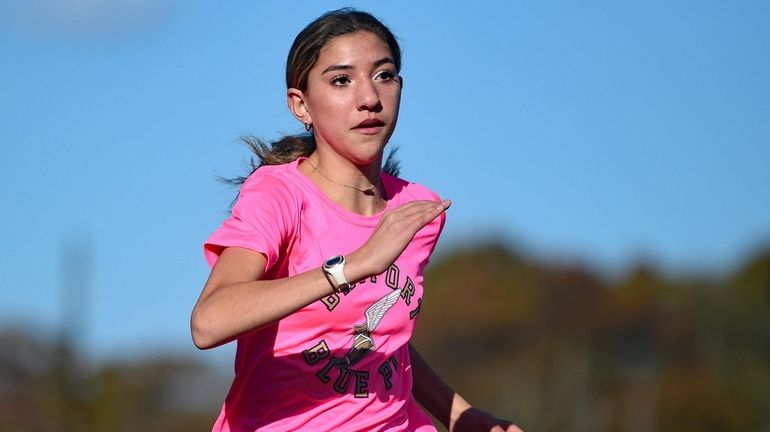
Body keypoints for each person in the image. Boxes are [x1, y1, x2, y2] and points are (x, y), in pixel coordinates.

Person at [191, 8, 523, 432]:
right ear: (301, 105)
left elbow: (382, 342)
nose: (369, 97)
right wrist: (352, 267)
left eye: (383, 75)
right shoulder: (278, 194)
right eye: (341, 80)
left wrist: (460, 415)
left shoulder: (416, 208)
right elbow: (208, 322)